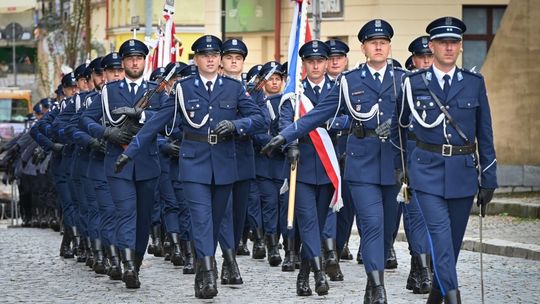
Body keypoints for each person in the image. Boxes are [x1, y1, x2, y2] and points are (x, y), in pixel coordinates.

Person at [262, 19, 405, 303]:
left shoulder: (403, 80)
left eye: (383, 42)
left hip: (393, 164)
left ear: (389, 46)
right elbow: (318, 114)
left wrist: (397, 127)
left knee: (387, 227)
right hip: (360, 163)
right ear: (363, 47)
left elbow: (416, 121)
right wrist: (285, 136)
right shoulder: (349, 81)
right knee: (372, 224)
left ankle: (368, 285)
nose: (378, 46)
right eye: (372, 42)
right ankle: (377, 286)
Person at [114, 35, 266, 299]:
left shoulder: (234, 88)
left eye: (214, 55)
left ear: (219, 60)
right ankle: (208, 271)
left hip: (224, 163)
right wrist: (131, 152)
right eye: (204, 55)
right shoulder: (183, 89)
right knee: (201, 218)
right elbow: (157, 122)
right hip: (193, 161)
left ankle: (202, 264)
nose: (210, 59)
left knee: (215, 219)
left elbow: (260, 119)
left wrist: (237, 125)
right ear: (196, 60)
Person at [393, 17, 497, 303]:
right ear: (432, 45)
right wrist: (401, 168)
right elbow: (398, 128)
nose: (449, 48)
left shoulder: (474, 83)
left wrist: (489, 178)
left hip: (463, 173)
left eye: (454, 43)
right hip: (426, 171)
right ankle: (453, 296)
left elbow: (485, 134)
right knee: (439, 236)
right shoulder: (413, 83)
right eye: (443, 43)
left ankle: (436, 296)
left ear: (460, 47)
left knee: (451, 243)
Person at [80, 39, 167, 289]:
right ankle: (127, 264)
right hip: (117, 162)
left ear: (145, 61)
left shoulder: (156, 91)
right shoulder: (108, 91)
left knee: (143, 219)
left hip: (147, 163)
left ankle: (135, 263)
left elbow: (165, 117)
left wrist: (141, 115)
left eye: (138, 58)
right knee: (125, 213)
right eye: (129, 59)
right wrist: (106, 133)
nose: (134, 62)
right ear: (124, 62)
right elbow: (85, 119)